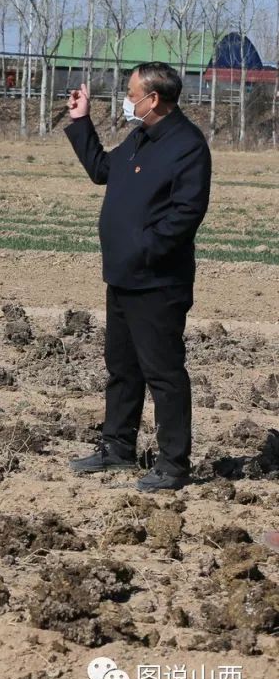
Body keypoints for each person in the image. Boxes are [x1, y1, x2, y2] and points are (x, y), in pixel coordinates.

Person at [64, 62, 210, 492]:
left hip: (158, 282)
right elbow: (101, 171)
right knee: (122, 368)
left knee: (163, 373)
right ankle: (117, 447)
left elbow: (186, 213)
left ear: (154, 100)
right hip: (123, 275)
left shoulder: (187, 145)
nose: (127, 101)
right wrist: (80, 120)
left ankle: (173, 463)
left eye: (131, 94)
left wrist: (145, 249)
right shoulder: (141, 138)